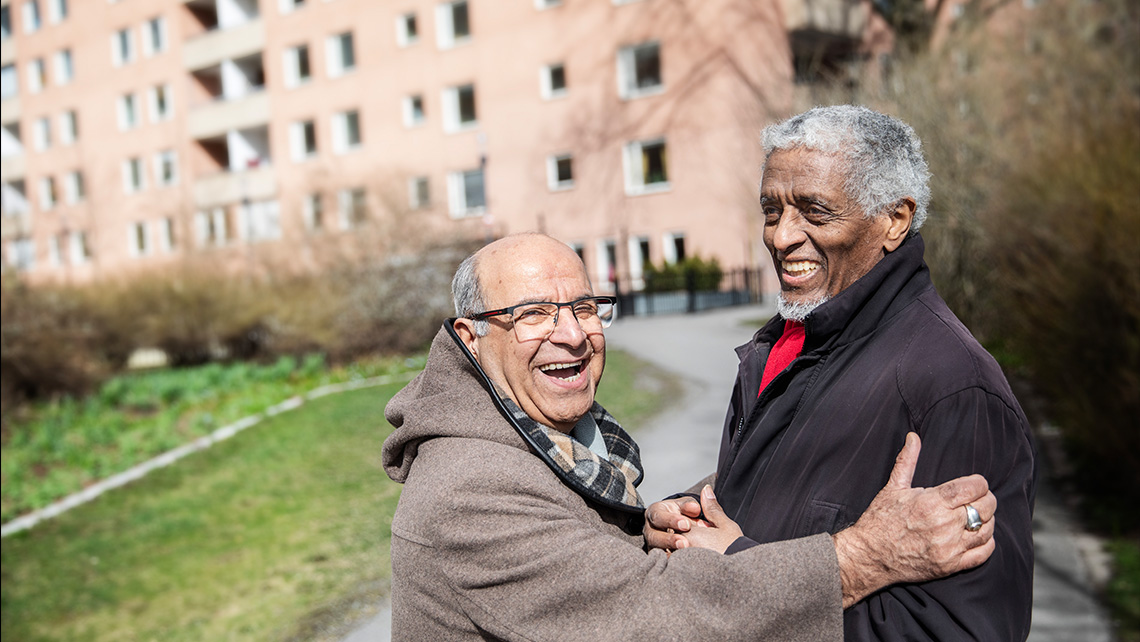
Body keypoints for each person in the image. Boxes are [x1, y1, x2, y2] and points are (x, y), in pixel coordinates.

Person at [382, 232, 998, 641]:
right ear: (470, 338)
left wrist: (641, 528)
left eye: (585, 307)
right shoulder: (469, 490)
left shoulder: (537, 434)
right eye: (533, 314)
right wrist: (864, 557)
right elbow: (652, 617)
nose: (571, 334)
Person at [645, 105, 1038, 640]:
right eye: (771, 209)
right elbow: (774, 504)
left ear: (894, 220)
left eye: (815, 211)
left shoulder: (951, 386)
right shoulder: (784, 343)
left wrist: (737, 565)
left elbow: (966, 630)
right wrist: (685, 519)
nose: (782, 236)